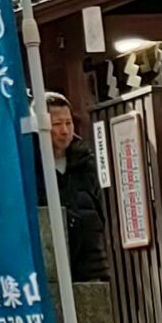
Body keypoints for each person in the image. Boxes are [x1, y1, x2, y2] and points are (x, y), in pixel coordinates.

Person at [45, 91, 107, 287]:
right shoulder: (30, 166)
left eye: (68, 123)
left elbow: (97, 207)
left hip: (89, 264)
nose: (64, 131)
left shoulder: (85, 161)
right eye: (56, 124)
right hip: (50, 265)